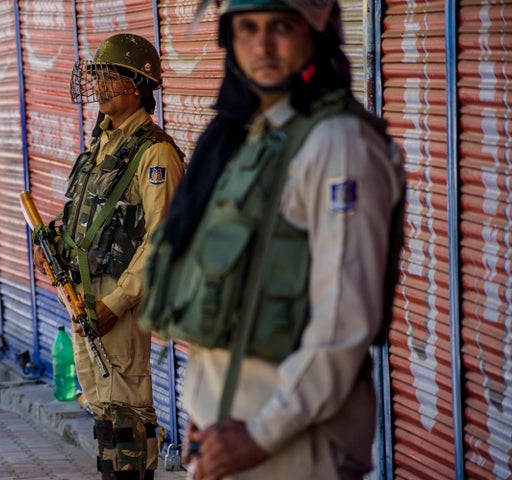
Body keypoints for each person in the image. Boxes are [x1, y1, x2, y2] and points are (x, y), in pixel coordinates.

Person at [139, 1, 406, 478]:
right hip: (228, 439)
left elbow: (344, 323)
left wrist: (259, 436)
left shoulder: (337, 143)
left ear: (317, 33)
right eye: (246, 28)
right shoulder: (250, 138)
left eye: (281, 26)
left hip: (289, 444)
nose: (261, 45)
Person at [42, 33, 184, 479]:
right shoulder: (104, 142)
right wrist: (56, 251)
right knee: (104, 411)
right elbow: (90, 218)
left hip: (116, 300)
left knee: (127, 414)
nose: (98, 86)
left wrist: (115, 303)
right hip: (86, 297)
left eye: (108, 77)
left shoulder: (155, 153)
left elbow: (163, 240)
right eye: (97, 76)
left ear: (136, 86)